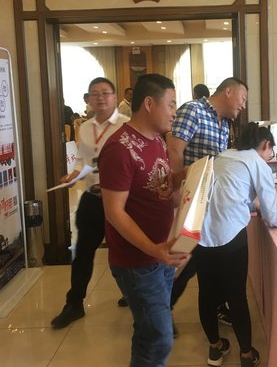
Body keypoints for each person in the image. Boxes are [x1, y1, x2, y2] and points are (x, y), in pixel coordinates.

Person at [100, 73, 190, 367]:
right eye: (171, 104)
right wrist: (154, 250)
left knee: (149, 332)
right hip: (138, 261)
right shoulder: (119, 148)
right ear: (149, 103)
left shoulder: (156, 140)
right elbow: (114, 212)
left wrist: (187, 175)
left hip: (159, 254)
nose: (175, 112)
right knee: (159, 338)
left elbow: (159, 182)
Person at [195, 123, 277, 367]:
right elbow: (271, 214)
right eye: (270, 151)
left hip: (201, 234)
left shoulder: (223, 156)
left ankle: (215, 349)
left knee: (206, 293)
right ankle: (246, 355)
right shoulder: (258, 163)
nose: (270, 156)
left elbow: (227, 193)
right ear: (265, 145)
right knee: (236, 296)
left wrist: (251, 205)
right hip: (230, 236)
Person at [166, 77, 249, 330]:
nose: (243, 105)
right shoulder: (194, 110)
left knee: (204, 259)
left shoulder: (224, 124)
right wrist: (176, 190)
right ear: (229, 91)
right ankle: (160, 308)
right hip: (191, 202)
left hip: (210, 204)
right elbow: (174, 149)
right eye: (243, 99)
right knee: (184, 258)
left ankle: (215, 306)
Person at [50, 77, 129, 329]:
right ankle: (74, 304)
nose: (100, 98)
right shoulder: (85, 128)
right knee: (83, 253)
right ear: (88, 99)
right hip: (92, 199)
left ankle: (137, 298)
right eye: (95, 93)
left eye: (105, 93)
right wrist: (72, 176)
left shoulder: (127, 126)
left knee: (125, 252)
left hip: (121, 201)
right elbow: (82, 161)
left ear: (114, 98)